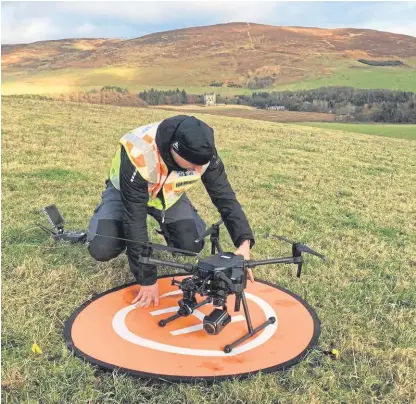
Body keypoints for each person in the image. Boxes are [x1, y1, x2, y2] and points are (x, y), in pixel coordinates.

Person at [87, 115, 255, 308]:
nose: (199, 170)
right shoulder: (139, 153)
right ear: (176, 151)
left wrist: (244, 242)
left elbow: (224, 197)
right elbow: (134, 218)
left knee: (191, 244)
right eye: (192, 165)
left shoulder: (202, 149)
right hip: (125, 192)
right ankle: (120, 238)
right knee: (102, 247)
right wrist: (147, 278)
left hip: (167, 196)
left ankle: (166, 230)